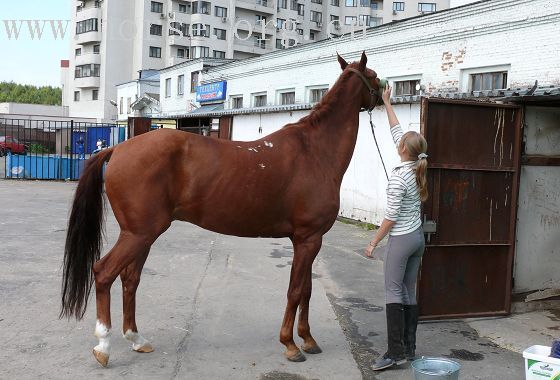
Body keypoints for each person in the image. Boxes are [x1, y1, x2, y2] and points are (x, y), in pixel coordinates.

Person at [365, 85, 428, 371]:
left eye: (401, 141)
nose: (398, 140)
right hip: (417, 239)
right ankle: (410, 349)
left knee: (392, 291)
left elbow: (390, 218)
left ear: (402, 149)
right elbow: (397, 131)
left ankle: (394, 352)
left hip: (401, 240)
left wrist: (373, 243)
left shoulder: (398, 179)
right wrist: (387, 102)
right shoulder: (418, 166)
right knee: (408, 292)